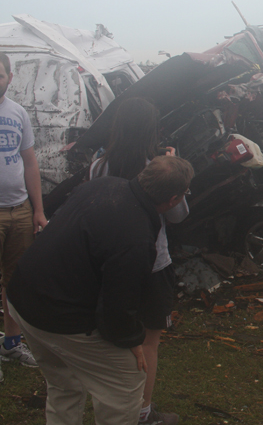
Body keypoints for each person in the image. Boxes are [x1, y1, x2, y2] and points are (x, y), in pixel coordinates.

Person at [7, 156, 194, 425]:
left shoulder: (102, 185)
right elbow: (117, 308)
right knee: (127, 381)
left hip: (22, 295)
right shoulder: (137, 239)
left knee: (64, 383)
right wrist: (131, 340)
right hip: (57, 314)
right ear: (174, 199)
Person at [89, 97, 188, 425]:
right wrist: (175, 171)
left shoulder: (99, 163)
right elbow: (177, 215)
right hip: (152, 262)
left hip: (107, 262)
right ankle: (142, 412)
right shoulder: (156, 166)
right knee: (149, 341)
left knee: (111, 339)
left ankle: (111, 405)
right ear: (151, 129)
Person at [0, 52, 47, 377]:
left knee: (15, 281)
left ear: (9, 77)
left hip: (20, 211)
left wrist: (38, 210)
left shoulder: (18, 113)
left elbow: (30, 163)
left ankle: (11, 342)